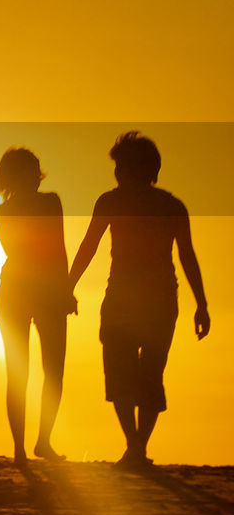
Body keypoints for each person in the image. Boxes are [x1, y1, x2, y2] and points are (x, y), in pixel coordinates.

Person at [69, 131, 210, 469]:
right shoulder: (114, 202)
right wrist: (68, 284)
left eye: (121, 166)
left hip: (154, 300)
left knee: (146, 373)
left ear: (139, 169)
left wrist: (202, 304)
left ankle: (135, 447)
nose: (117, 173)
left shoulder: (168, 206)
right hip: (127, 298)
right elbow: (90, 245)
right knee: (125, 372)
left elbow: (187, 255)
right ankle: (135, 447)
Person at [0, 148, 77, 467]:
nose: (36, 176)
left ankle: (43, 441)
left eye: (36, 170)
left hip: (37, 289)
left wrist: (65, 290)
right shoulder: (3, 212)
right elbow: (41, 248)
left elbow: (57, 246)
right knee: (20, 373)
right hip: (20, 290)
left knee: (53, 369)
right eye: (29, 170)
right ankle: (19, 448)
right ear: (14, 176)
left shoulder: (46, 202)